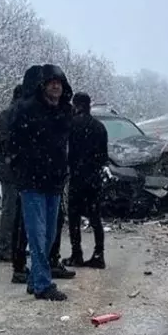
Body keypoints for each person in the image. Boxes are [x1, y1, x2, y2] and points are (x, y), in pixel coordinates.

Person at [6, 64, 75, 301]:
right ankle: (44, 284)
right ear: (43, 86)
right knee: (37, 233)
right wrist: (18, 165)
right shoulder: (27, 110)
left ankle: (35, 278)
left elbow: (66, 145)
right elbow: (11, 141)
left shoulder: (65, 111)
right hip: (32, 180)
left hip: (54, 181)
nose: (55, 86)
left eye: (59, 82)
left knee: (49, 235)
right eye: (51, 82)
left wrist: (66, 168)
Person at [64, 92, 108, 268]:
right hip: (94, 178)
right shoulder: (99, 127)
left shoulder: (71, 125)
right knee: (95, 217)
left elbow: (67, 152)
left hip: (77, 177)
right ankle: (99, 255)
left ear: (76, 105)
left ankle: (77, 254)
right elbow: (104, 156)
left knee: (74, 216)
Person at [0, 85, 24, 263]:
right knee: (10, 211)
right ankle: (4, 248)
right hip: (10, 172)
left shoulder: (12, 115)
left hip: (14, 171)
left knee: (17, 212)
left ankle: (13, 247)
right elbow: (6, 145)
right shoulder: (9, 116)